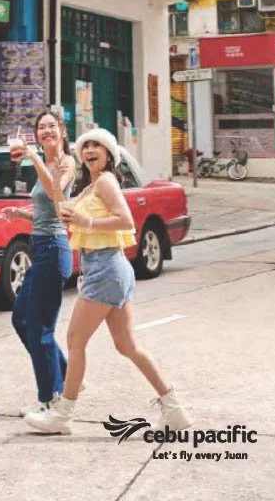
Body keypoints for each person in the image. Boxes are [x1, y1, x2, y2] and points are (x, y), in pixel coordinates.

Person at [24, 128, 192, 436]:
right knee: (127, 345)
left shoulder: (106, 183)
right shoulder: (91, 188)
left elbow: (126, 220)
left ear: (109, 154)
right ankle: (174, 409)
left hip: (106, 268)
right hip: (107, 268)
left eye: (96, 145)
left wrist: (86, 222)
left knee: (75, 340)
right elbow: (59, 203)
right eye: (85, 145)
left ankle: (63, 414)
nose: (89, 149)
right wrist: (44, 161)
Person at [3, 109, 76, 417]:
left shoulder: (66, 163)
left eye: (51, 126)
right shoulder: (45, 164)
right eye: (41, 127)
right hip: (41, 248)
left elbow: (56, 194)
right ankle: (68, 377)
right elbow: (48, 213)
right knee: (21, 319)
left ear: (61, 132)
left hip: (54, 249)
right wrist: (21, 215)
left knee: (40, 327)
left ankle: (51, 399)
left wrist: (32, 157)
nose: (46, 130)